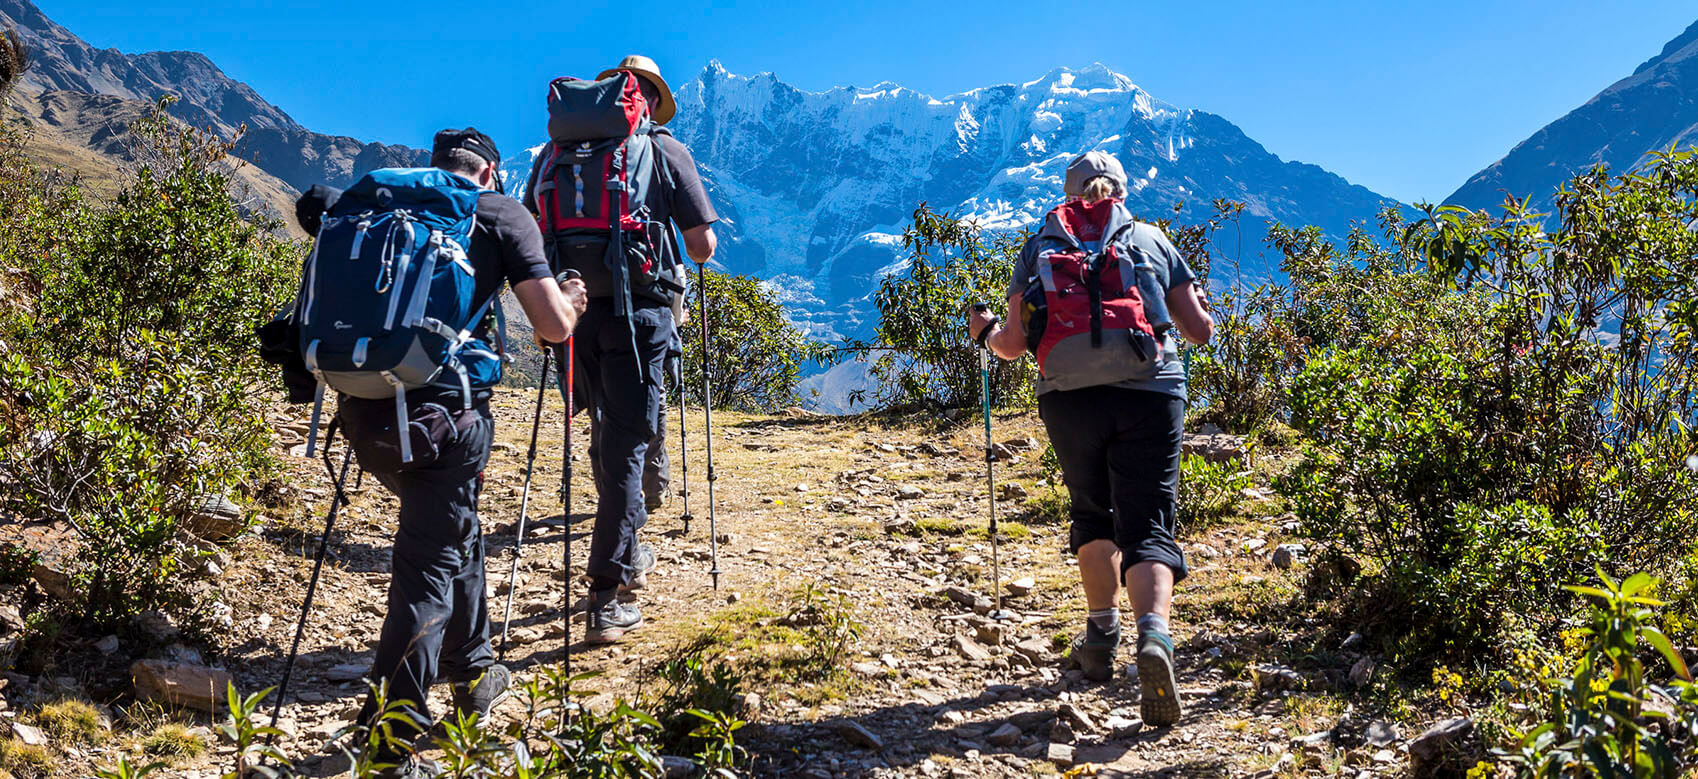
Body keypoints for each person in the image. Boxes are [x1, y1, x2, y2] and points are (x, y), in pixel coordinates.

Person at [314, 129, 588, 778]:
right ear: (489, 170)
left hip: (360, 410)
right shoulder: (497, 212)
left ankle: (475, 671)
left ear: (438, 166)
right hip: (444, 423)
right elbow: (550, 325)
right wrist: (573, 303)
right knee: (426, 568)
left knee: (450, 530)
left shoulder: (379, 204)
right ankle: (389, 743)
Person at [966, 150, 1213, 727]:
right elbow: (1198, 333)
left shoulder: (1038, 250)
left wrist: (983, 332)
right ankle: (1155, 639)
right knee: (1148, 519)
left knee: (1091, 510)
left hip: (1067, 397)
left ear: (1069, 193)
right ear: (1122, 193)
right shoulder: (1153, 241)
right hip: (1150, 392)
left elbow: (1012, 345)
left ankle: (1101, 636)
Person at [530, 55, 719, 644]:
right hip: (640, 315)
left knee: (608, 434)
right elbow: (702, 246)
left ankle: (629, 550)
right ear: (650, 103)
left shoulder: (553, 157)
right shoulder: (665, 152)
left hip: (573, 312)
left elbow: (535, 237)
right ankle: (606, 595)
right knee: (629, 446)